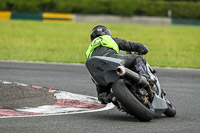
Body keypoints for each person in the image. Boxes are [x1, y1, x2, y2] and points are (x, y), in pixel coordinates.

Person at [85, 25, 149, 104]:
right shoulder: (108, 39)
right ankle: (144, 76)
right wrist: (142, 48)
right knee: (137, 58)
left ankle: (111, 97)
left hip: (96, 69)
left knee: (102, 94)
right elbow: (129, 45)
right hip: (109, 57)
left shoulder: (90, 48)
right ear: (107, 33)